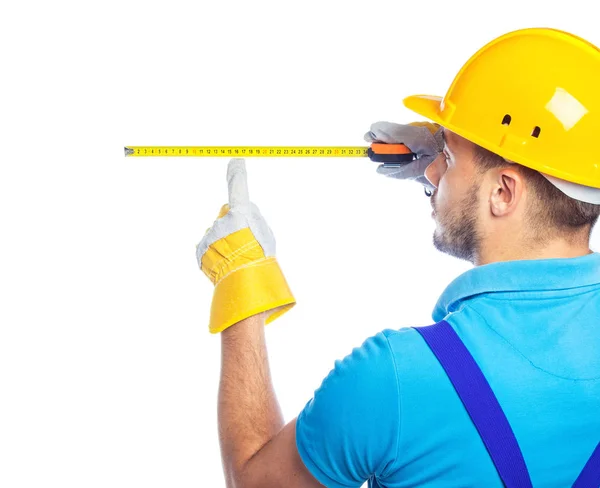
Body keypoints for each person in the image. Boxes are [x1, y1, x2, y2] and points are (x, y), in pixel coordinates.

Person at [196, 27, 600, 487]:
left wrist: (241, 281)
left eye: (445, 156)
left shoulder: (396, 378)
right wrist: (461, 174)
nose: (429, 170)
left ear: (504, 192)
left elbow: (256, 481)